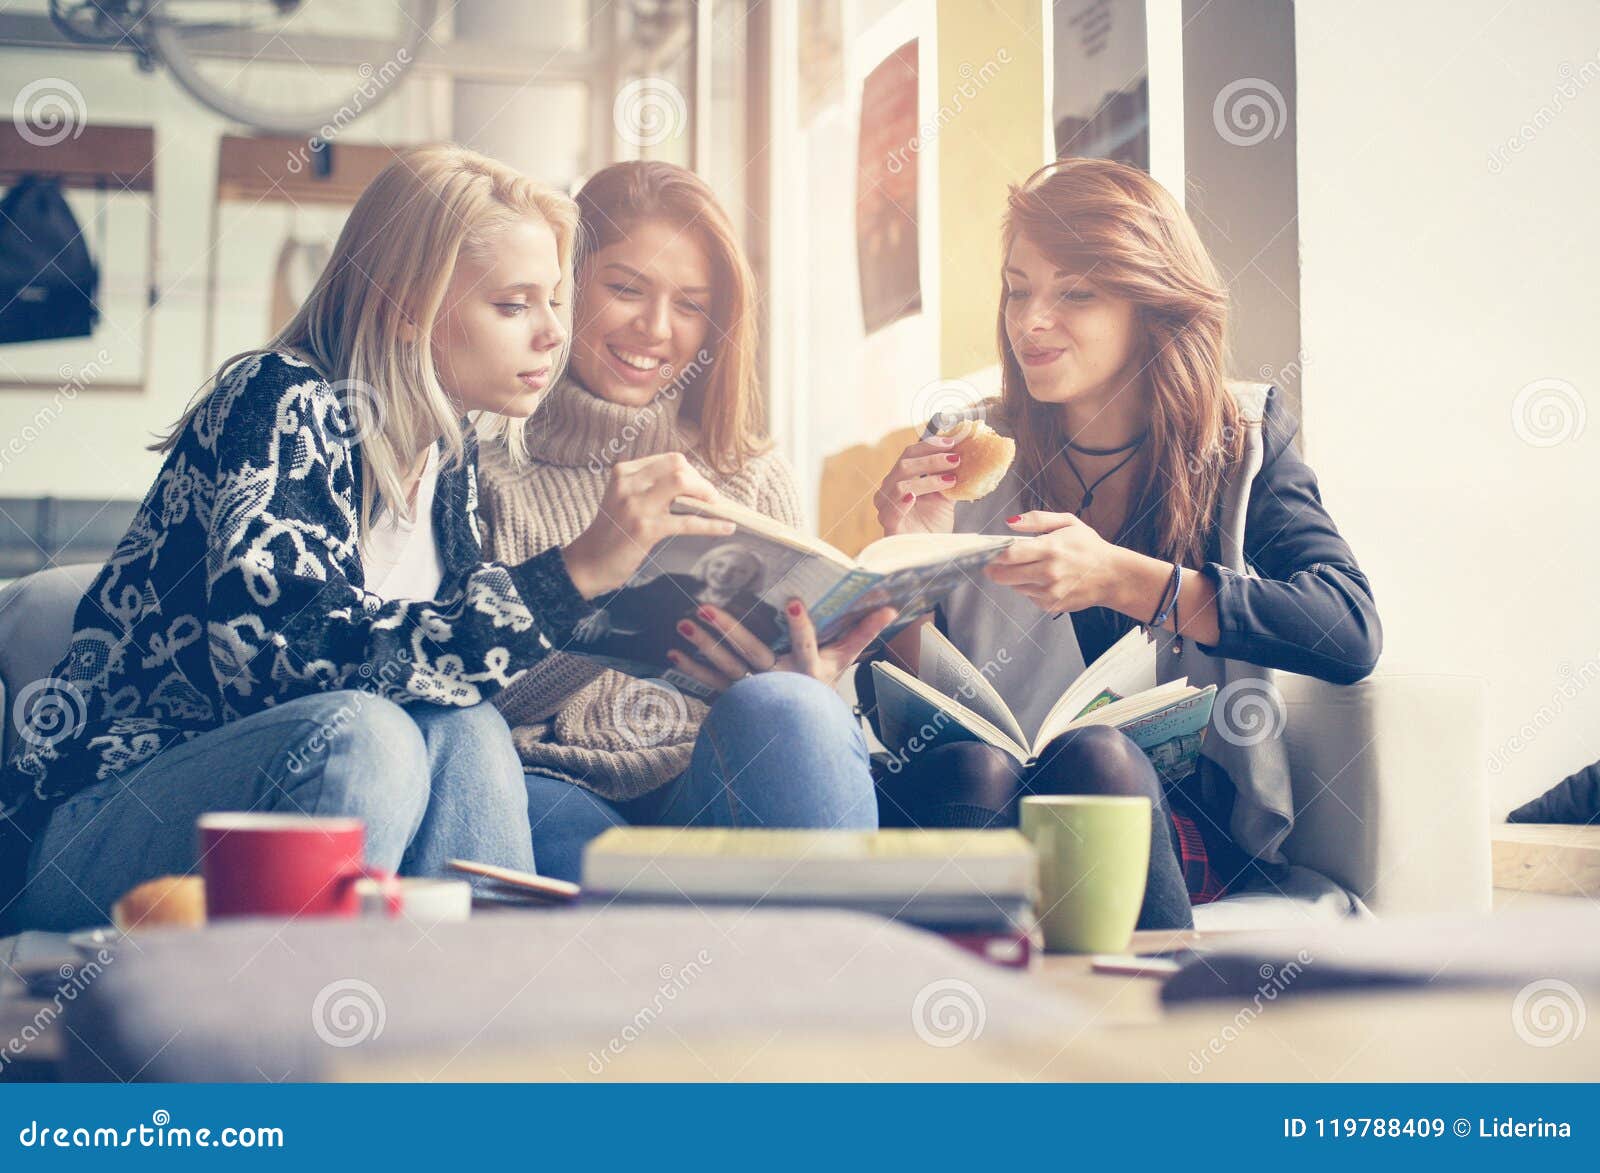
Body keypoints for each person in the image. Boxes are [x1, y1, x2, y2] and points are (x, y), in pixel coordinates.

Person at [0, 146, 886, 932]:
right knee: (373, 735)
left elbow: (452, 682)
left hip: (319, 801)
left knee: (463, 729)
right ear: (407, 308)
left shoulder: (443, 463)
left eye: (554, 301)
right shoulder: (281, 401)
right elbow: (279, 665)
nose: (553, 333)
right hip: (116, 825)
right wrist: (578, 574)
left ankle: (481, 1045)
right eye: (514, 305)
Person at [867, 158, 1382, 930]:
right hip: (979, 793)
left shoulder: (1239, 440)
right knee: (973, 767)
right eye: (1018, 288)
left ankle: (1156, 1039)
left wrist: (1122, 579)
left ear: (1150, 304)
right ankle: (965, 1028)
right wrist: (909, 564)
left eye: (1075, 292)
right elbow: (904, 723)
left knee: (1094, 759)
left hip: (1162, 812)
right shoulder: (963, 450)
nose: (1030, 319)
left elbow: (1348, 629)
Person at [475, 161, 887, 879]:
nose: (655, 328)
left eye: (691, 305)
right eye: (625, 288)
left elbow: (802, 720)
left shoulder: (750, 474)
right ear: (564, 288)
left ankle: (823, 981)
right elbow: (469, 694)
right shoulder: (485, 473)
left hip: (713, 777)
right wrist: (598, 582)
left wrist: (805, 679)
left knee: (796, 711)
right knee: (522, 813)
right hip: (555, 784)